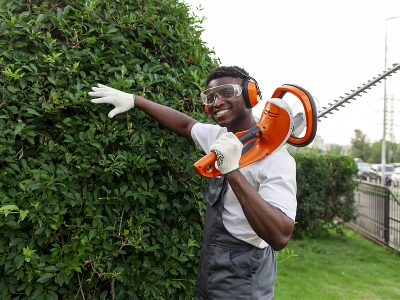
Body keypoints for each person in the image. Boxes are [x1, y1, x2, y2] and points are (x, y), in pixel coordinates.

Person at [89, 66, 297, 299]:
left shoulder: (277, 160)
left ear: (249, 94)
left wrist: (232, 171)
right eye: (210, 97)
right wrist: (136, 100)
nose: (217, 102)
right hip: (211, 264)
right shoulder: (219, 137)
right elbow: (186, 125)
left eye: (227, 92)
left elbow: (280, 235)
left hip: (245, 274)